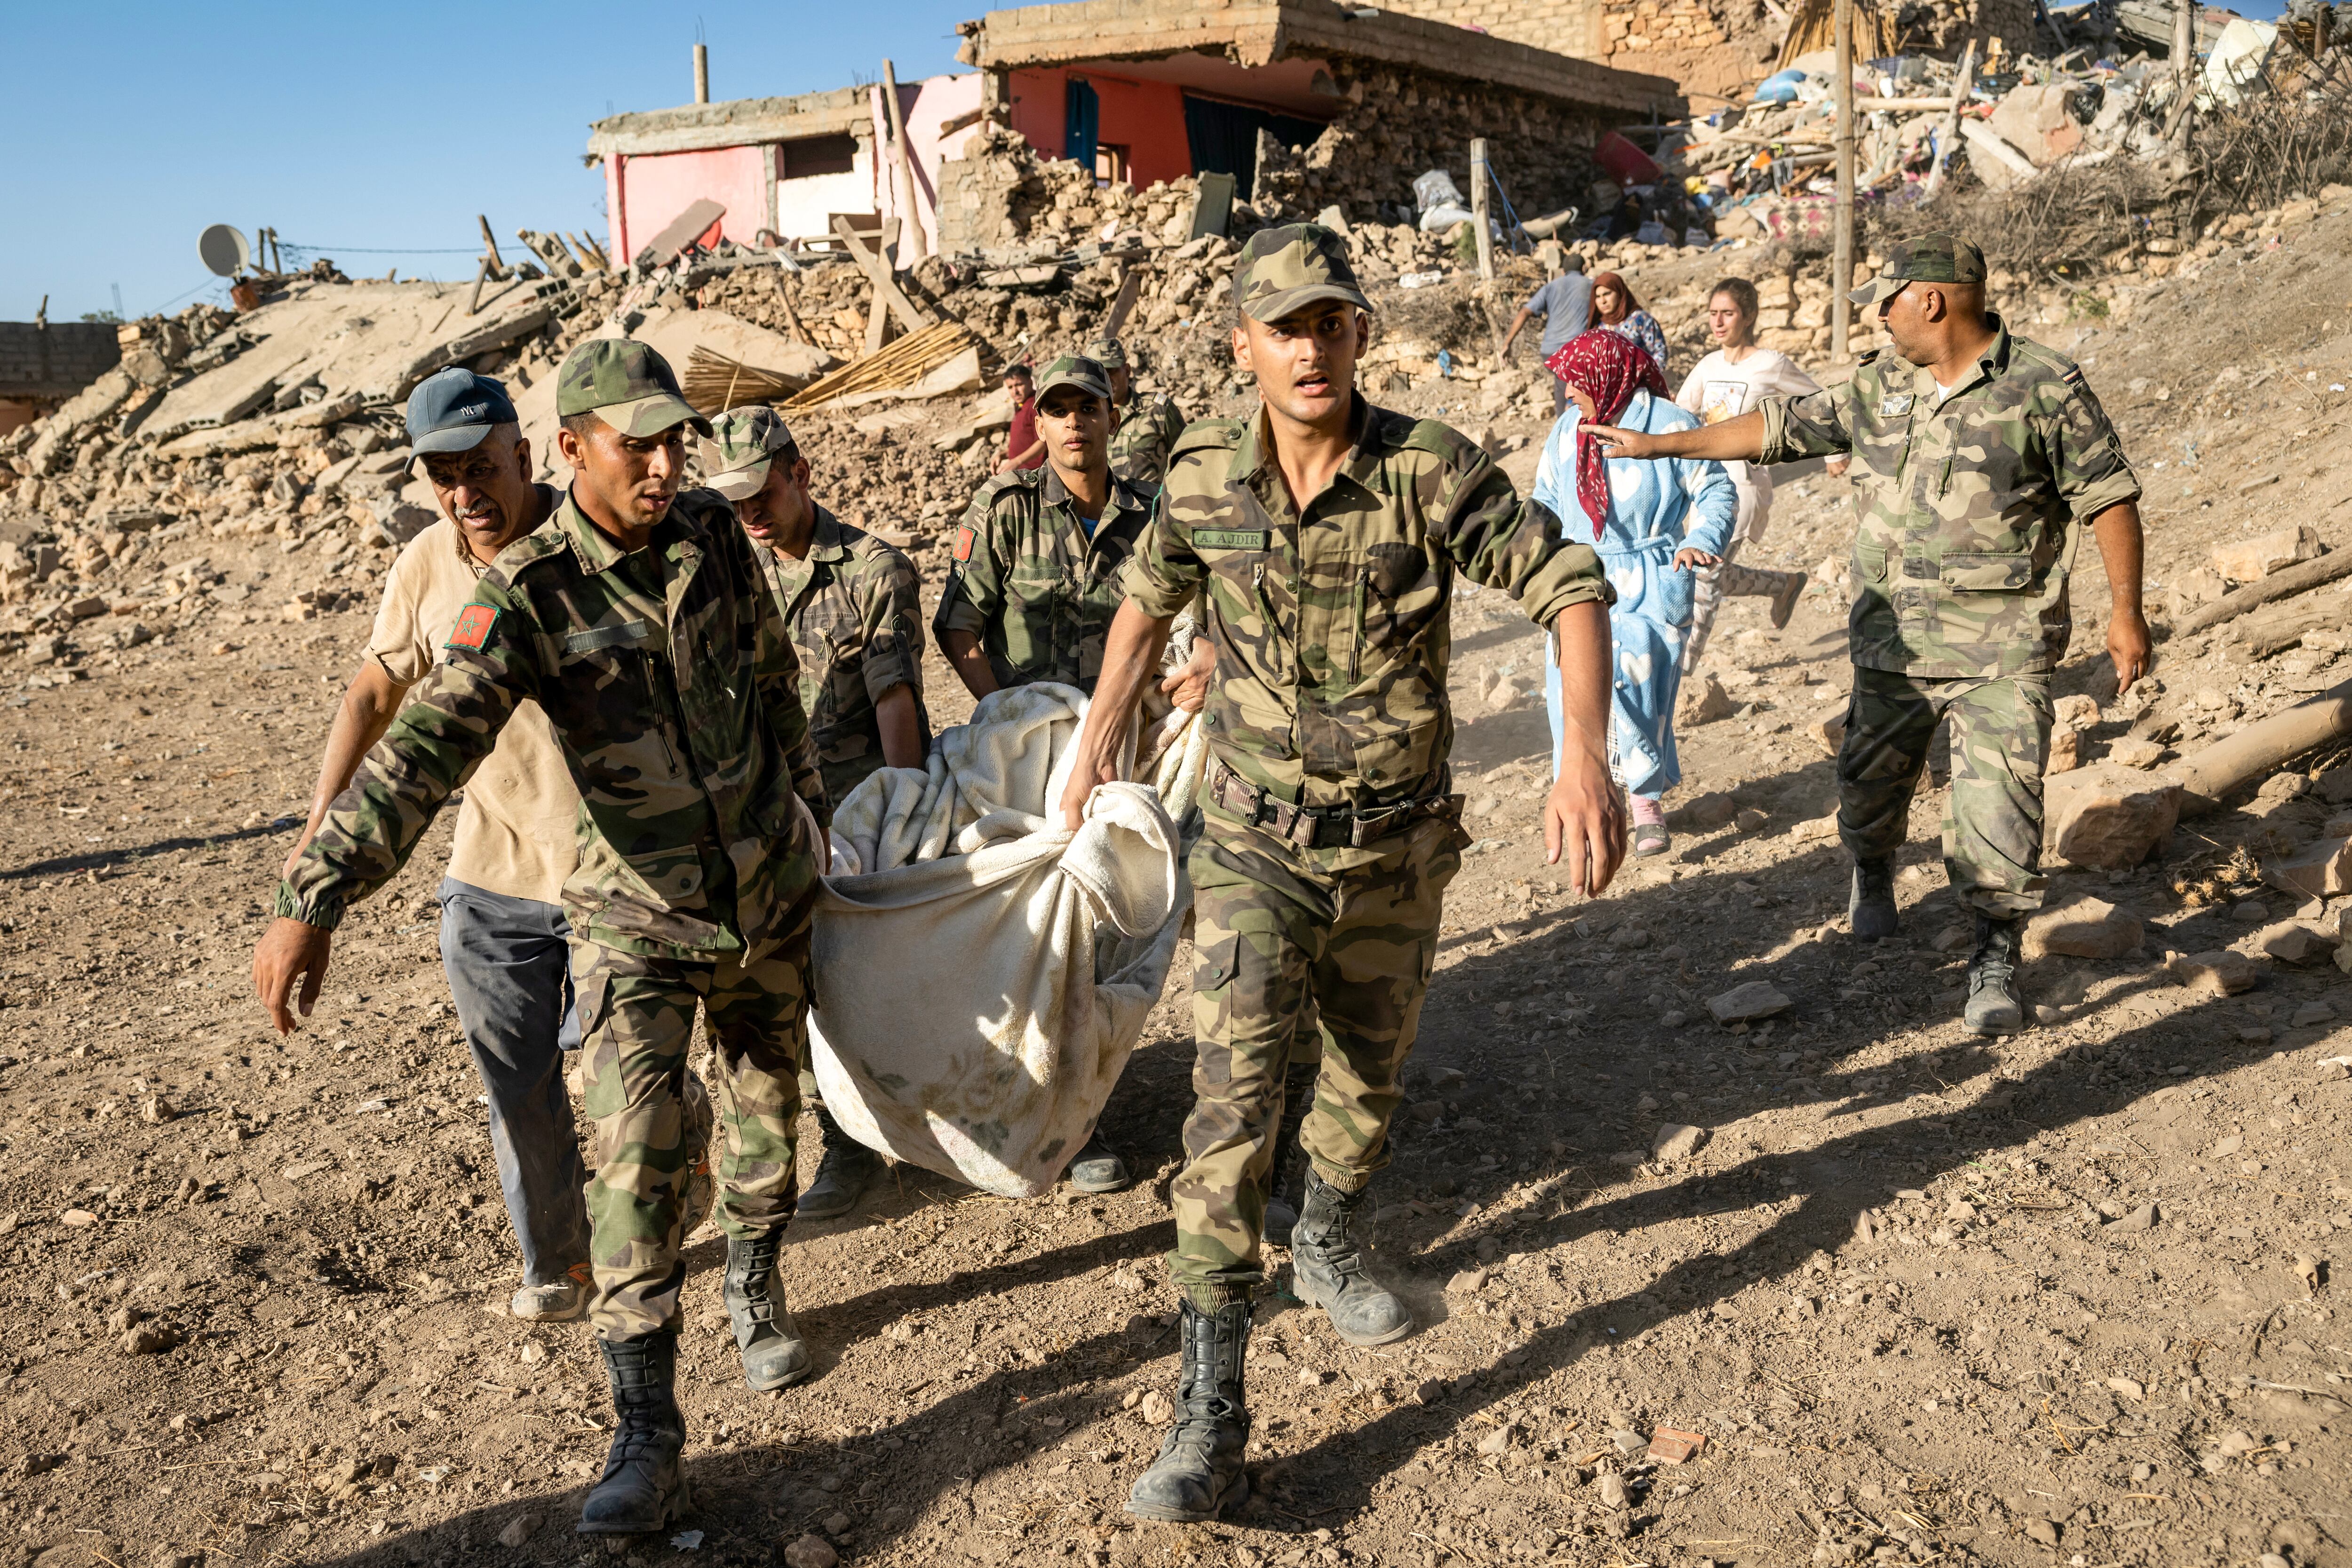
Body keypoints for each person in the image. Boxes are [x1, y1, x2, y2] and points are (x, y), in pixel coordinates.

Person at [1054, 223, 1626, 1524]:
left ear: (1358, 334)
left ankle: (1329, 1233)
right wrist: (1098, 740)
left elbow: (1570, 584)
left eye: (1332, 322)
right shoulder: (1200, 475)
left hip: (1396, 846)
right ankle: (1212, 1403)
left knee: (1367, 1073)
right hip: (1254, 847)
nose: (1311, 348)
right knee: (1232, 1102)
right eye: (1285, 326)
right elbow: (1146, 604)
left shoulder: (1429, 471)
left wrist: (1580, 757)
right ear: (1242, 344)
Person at [252, 338, 837, 1536]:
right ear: (570, 449)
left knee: (769, 1130)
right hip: (632, 916)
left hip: (764, 898)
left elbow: (772, 672)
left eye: (677, 439)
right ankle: (645, 1426)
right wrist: (315, 892)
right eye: (641, 444)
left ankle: (756, 1270)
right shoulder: (525, 592)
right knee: (634, 1162)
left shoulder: (713, 537)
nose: (670, 465)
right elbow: (420, 750)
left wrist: (810, 803)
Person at [1585, 233, 2148, 1035]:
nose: (1877, 318)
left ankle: (1994, 953)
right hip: (1895, 642)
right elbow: (1776, 430)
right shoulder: (1883, 385)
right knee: (1871, 786)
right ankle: (1873, 868)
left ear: (1930, 300)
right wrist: (1659, 445)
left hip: (2004, 642)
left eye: (1884, 301)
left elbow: (2108, 497)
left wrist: (2126, 610)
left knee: (2002, 805)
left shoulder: (2044, 385)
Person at [283, 367, 590, 1322]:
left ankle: (676, 1166)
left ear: (524, 457)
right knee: (518, 1085)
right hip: (492, 876)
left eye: (483, 467)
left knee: (623, 1086)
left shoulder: (593, 540)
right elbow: (374, 693)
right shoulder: (426, 565)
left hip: (614, 877)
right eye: (443, 475)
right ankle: (562, 1267)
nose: (466, 494)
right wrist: (320, 829)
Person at [934, 353, 1159, 1193]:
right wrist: (1007, 714)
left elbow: (1200, 601)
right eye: (1058, 409)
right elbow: (959, 626)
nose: (1073, 423)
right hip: (1030, 757)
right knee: (1033, 936)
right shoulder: (1006, 509)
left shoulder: (1151, 513)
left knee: (1106, 933)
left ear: (1112, 416)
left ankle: (1080, 1115)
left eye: (1088, 408)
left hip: (1126, 745)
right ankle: (1036, 1115)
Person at [701, 403, 930, 1222]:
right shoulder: (730, 574)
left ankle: (867, 1142)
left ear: (799, 473)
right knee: (785, 992)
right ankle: (829, 1136)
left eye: (761, 493)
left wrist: (905, 814)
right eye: (735, 504)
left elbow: (896, 701)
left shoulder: (873, 570)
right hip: (768, 818)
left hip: (858, 818)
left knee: (863, 987)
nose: (751, 515)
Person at [1538, 329, 1735, 858]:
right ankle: (1585, 806)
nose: (1567, 396)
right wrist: (1535, 558)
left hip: (1650, 578)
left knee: (1639, 694)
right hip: (1580, 583)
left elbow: (1714, 486)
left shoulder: (1671, 424)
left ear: (1607, 378)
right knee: (1573, 697)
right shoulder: (1566, 432)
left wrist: (1699, 538)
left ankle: (1645, 804)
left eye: (1575, 384)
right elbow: (1543, 501)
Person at [1672, 277, 1825, 668]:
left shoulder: (1770, 364)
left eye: (1728, 313)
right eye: (1713, 314)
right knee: (1710, 569)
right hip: (1704, 485)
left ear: (1750, 316)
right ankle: (1783, 584)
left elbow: (1820, 403)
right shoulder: (1708, 365)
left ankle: (1684, 669)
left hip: (1744, 485)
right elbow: (1681, 413)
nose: (1718, 322)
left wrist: (1834, 455)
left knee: (1705, 571)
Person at [1499, 253, 1595, 414]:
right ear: (1584, 269)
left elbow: (1524, 312)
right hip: (1578, 352)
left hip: (1550, 352)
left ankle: (1561, 423)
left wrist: (1507, 343)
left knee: (1561, 384)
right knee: (1579, 387)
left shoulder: (1551, 286)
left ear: (1563, 272)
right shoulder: (1591, 285)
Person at [1095, 336, 1191, 492]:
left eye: (1111, 371)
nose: (1106, 379)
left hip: (1149, 512)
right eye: (1099, 374)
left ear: (1127, 370)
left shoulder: (1158, 410)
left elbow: (1187, 459)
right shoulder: (1086, 418)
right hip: (1103, 513)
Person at [1593, 270, 1669, 377]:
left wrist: (1649, 378)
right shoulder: (1599, 327)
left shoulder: (1640, 319)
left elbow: (1660, 351)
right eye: (1598, 296)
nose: (1603, 301)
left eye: (1607, 294)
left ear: (1619, 293)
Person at [996, 362, 1045, 473]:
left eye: (1019, 385)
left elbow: (1044, 441)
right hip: (1021, 472)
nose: (1015, 391)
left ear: (1030, 382)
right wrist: (1005, 454)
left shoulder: (1035, 406)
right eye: (1010, 387)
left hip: (1035, 474)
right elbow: (1026, 443)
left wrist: (1016, 462)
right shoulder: (1021, 406)